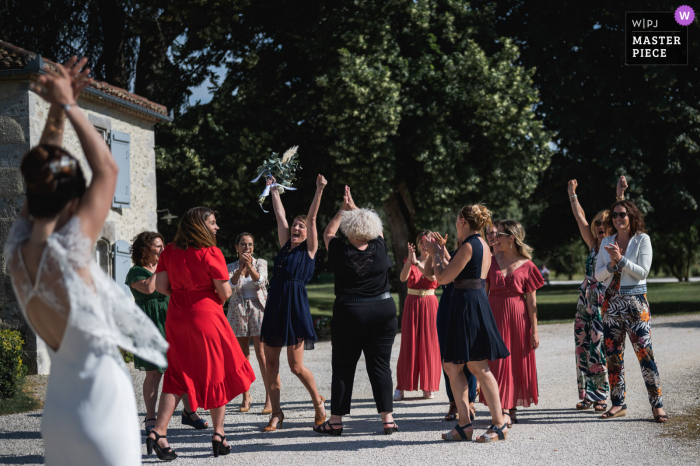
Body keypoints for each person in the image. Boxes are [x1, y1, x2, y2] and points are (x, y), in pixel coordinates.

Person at [3, 57, 168, 465]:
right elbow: (108, 169)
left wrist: (56, 111)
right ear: (75, 200)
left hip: (59, 413)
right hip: (101, 408)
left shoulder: (17, 249)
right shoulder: (69, 251)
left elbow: (42, 178)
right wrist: (72, 107)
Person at [148, 207, 256, 459]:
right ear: (200, 225)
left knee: (176, 374)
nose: (217, 227)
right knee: (216, 370)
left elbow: (162, 287)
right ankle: (219, 434)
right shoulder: (211, 252)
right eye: (213, 223)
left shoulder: (170, 251)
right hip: (206, 315)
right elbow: (225, 293)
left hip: (176, 316)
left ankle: (159, 433)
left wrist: (184, 294)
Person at [315, 186, 398, 436]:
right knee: (381, 366)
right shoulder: (380, 247)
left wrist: (343, 210)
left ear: (348, 231)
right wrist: (356, 209)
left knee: (343, 366)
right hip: (383, 309)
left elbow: (328, 232)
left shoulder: (340, 250)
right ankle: (388, 420)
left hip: (350, 311)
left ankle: (336, 421)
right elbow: (377, 228)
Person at [426, 204, 510, 443]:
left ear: (462, 220)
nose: (455, 222)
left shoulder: (469, 246)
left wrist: (434, 254)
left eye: (456, 218)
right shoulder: (481, 243)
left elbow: (442, 278)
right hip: (468, 303)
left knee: (478, 366)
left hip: (467, 307)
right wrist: (441, 252)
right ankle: (464, 425)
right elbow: (455, 271)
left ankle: (499, 424)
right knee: (452, 366)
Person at [260, 174, 328, 431]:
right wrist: (273, 189)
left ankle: (319, 403)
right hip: (276, 305)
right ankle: (277, 413)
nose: (297, 228)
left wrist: (319, 190)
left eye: (301, 225)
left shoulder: (309, 249)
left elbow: (312, 219)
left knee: (296, 366)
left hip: (295, 308)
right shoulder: (284, 245)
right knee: (270, 363)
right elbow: (279, 216)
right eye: (295, 225)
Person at [127, 231, 208, 433]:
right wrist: (164, 266)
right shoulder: (136, 271)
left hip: (172, 322)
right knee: (153, 374)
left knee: (182, 369)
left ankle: (190, 412)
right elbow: (148, 288)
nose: (162, 249)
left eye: (163, 245)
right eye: (157, 246)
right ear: (145, 249)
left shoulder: (165, 268)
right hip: (149, 326)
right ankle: (150, 416)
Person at [595, 200, 667, 423]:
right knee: (613, 356)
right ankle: (618, 404)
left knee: (645, 354)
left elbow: (643, 272)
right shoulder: (606, 241)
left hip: (636, 305)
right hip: (611, 305)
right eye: (615, 215)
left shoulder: (642, 240)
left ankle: (657, 406)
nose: (618, 218)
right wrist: (612, 265)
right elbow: (598, 275)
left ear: (631, 216)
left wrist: (621, 259)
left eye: (622, 214)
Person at [567, 177, 627, 412]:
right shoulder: (593, 244)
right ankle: (587, 396)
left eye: (605, 222)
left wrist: (620, 195)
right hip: (585, 302)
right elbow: (580, 217)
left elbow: (623, 216)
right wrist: (573, 195)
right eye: (597, 223)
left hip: (604, 301)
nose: (600, 225)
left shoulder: (614, 244)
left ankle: (601, 395)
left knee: (599, 347)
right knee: (582, 347)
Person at [485, 220, 544, 426]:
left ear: (511, 238)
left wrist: (534, 332)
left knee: (515, 362)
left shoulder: (528, 265)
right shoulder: (490, 261)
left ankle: (511, 408)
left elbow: (532, 301)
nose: (495, 237)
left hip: (519, 320)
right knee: (497, 363)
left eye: (499, 234)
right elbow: (483, 295)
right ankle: (500, 407)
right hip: (494, 318)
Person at [425, 232, 478, 422]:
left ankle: (470, 400)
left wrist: (441, 252)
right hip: (447, 305)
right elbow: (430, 273)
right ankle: (453, 401)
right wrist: (434, 253)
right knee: (448, 356)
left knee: (468, 355)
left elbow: (452, 274)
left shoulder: (468, 256)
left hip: (462, 304)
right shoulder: (452, 254)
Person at [393, 231, 441, 401]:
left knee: (429, 345)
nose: (424, 244)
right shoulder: (410, 260)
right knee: (409, 343)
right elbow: (402, 277)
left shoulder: (437, 260)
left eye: (428, 241)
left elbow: (433, 277)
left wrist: (418, 264)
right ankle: (401, 386)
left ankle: (428, 386)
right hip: (412, 302)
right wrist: (410, 261)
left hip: (429, 302)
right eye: (422, 241)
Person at [227, 232, 272, 414]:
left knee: (262, 354)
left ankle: (269, 397)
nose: (247, 248)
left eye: (250, 244)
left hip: (258, 309)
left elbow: (261, 282)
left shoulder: (261, 263)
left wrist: (250, 267)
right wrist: (239, 270)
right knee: (242, 356)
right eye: (243, 244)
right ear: (236, 247)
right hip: (238, 310)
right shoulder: (230, 266)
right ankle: (246, 396)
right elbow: (229, 286)